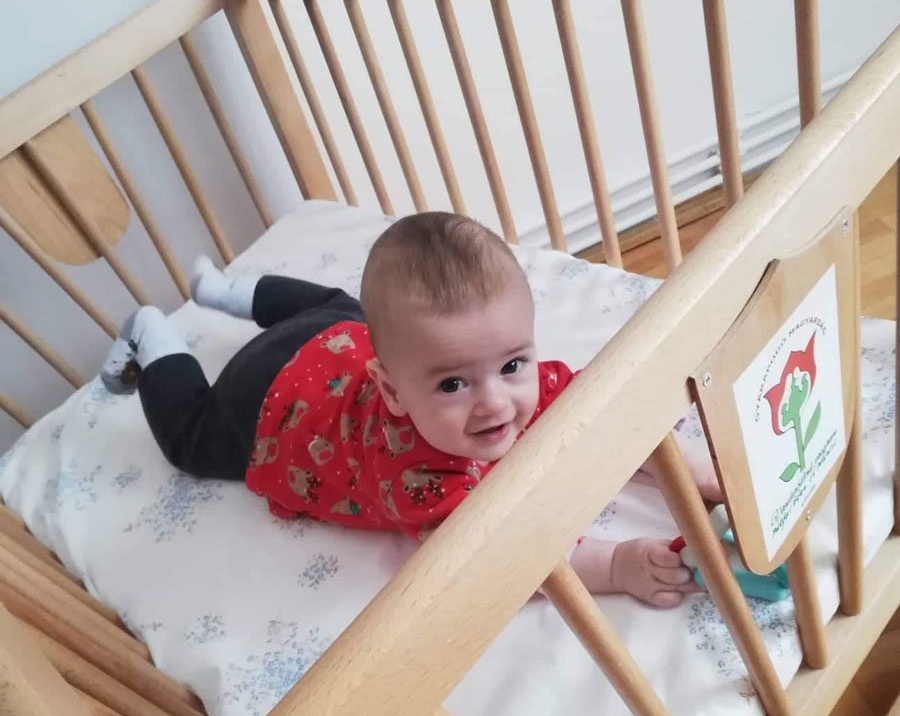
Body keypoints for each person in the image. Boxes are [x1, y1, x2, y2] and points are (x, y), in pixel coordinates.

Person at [102, 212, 716, 607]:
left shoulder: (490, 376)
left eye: (512, 365)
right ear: (391, 391)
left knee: (342, 307)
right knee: (193, 441)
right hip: (268, 398)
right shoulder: (419, 478)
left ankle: (224, 291)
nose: (494, 403)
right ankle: (154, 334)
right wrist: (614, 564)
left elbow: (605, 412)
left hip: (335, 336)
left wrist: (690, 469)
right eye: (452, 385)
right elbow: (503, 556)